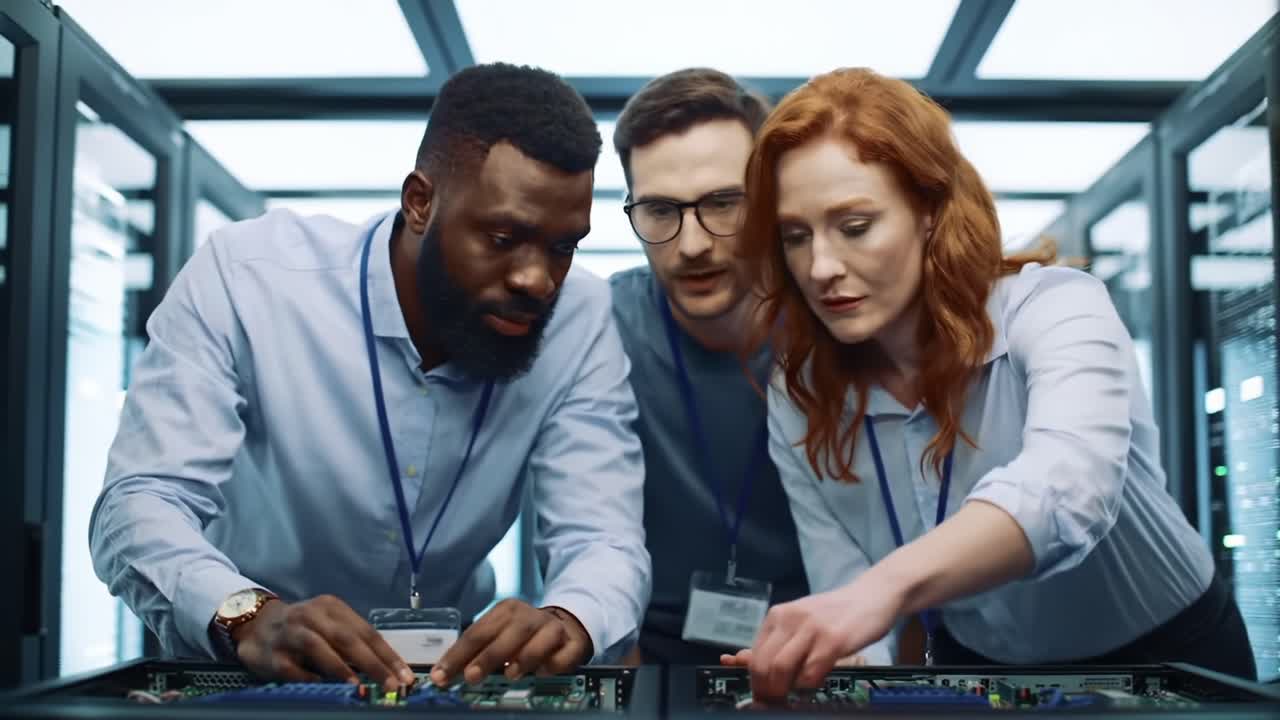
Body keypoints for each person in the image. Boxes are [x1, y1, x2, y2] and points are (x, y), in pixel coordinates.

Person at [89, 63, 651, 690]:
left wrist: (570, 617)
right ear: (420, 202)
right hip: (250, 673)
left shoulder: (581, 317)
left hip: (442, 683)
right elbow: (141, 502)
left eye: (563, 247)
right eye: (501, 237)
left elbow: (603, 536)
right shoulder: (247, 277)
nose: (537, 280)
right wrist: (247, 614)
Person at [721, 67, 1255, 697]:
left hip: (1169, 656)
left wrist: (880, 590)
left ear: (928, 210)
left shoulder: (1055, 307)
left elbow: (1067, 489)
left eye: (856, 227)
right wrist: (835, 665)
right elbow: (844, 585)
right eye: (795, 237)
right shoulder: (800, 393)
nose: (821, 267)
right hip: (978, 669)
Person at [608, 68, 809, 665]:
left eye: (723, 203)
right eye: (659, 210)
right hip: (645, 644)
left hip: (816, 640)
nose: (692, 244)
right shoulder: (601, 327)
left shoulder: (832, 320)